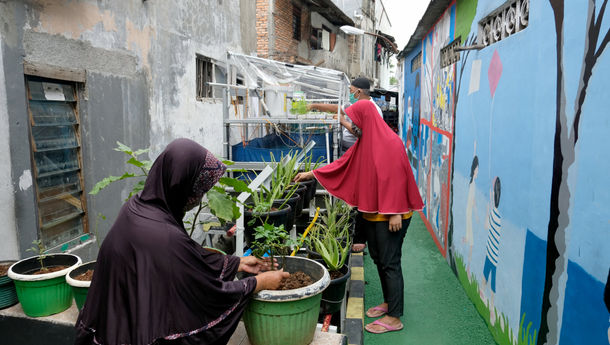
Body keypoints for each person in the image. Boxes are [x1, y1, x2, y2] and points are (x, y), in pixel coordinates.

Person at [75, 138, 289, 345]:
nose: (199, 199)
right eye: (196, 192)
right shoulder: (164, 236)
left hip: (111, 328)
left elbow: (186, 257)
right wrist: (257, 283)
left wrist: (236, 263)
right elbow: (204, 293)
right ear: (180, 187)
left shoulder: (138, 208)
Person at [294, 89, 424, 334]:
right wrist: (310, 174)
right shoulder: (367, 142)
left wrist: (395, 211)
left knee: (390, 262)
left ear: (367, 119)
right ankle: (388, 303)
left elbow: (397, 176)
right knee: (378, 258)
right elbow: (343, 164)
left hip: (393, 214)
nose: (353, 124)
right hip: (376, 212)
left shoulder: (390, 142)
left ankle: (395, 317)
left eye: (356, 120)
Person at [307, 77, 383, 253]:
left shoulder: (373, 110)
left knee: (363, 196)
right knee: (358, 195)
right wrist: (314, 106)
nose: (350, 92)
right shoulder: (360, 105)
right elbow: (340, 109)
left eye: (351, 89)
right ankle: (358, 236)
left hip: (365, 157)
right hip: (355, 154)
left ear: (359, 91)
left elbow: (363, 134)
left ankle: (360, 239)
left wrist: (343, 122)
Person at [479, 176, 502, 325]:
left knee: (485, 276)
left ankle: (482, 291)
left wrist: (487, 211)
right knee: (492, 283)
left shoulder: (494, 214)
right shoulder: (499, 215)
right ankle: (492, 308)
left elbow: (486, 226)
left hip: (490, 253)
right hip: (496, 255)